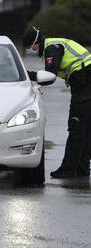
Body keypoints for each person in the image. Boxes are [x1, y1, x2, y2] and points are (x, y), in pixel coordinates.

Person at [23, 26, 91, 178]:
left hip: (85, 82)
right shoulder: (55, 43)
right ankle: (82, 169)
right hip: (85, 80)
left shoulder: (51, 47)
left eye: (29, 47)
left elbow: (49, 76)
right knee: (85, 130)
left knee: (77, 127)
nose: (29, 50)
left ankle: (68, 170)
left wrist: (26, 75)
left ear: (35, 42)